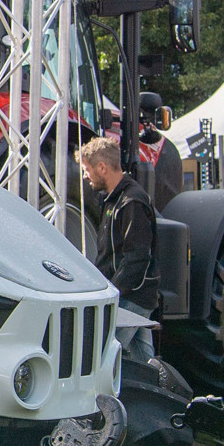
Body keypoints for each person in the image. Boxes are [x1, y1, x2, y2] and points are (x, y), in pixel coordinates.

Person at [75, 135, 157, 362]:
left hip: (131, 298)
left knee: (102, 358)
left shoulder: (132, 202)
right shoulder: (114, 199)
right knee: (144, 362)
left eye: (87, 169)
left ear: (102, 167)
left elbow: (137, 258)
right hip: (132, 296)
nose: (85, 176)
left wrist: (111, 293)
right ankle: (157, 394)